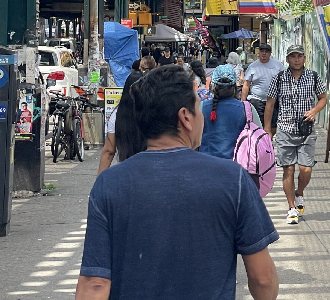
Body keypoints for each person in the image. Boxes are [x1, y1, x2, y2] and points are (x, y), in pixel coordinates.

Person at [77, 66, 279, 300]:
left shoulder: (109, 185)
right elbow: (263, 281)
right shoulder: (234, 181)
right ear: (185, 117)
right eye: (198, 109)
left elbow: (94, 284)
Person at [265, 44, 327, 225]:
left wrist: (314, 110)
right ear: (287, 59)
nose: (296, 59)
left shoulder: (313, 77)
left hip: (306, 130)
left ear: (304, 58)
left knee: (306, 168)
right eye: (293, 56)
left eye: (299, 56)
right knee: (288, 169)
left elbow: (323, 98)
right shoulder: (279, 78)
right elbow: (270, 104)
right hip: (285, 129)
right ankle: (291, 208)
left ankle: (299, 193)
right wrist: (268, 129)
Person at [199, 65, 262, 159]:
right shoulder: (247, 109)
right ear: (235, 86)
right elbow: (260, 138)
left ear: (213, 85)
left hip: (206, 165)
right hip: (238, 167)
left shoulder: (201, 107)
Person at [97, 71, 143, 175]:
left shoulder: (116, 115)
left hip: (126, 171)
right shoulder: (152, 112)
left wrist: (99, 181)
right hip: (151, 170)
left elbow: (109, 151)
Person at [242, 43, 284, 138]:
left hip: (274, 100)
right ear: (259, 53)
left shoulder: (277, 65)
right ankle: (261, 142)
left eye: (267, 51)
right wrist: (243, 102)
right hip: (257, 100)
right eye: (262, 51)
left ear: (270, 53)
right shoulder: (253, 66)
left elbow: (285, 80)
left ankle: (268, 140)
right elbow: (246, 84)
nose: (264, 53)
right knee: (258, 124)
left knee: (273, 125)